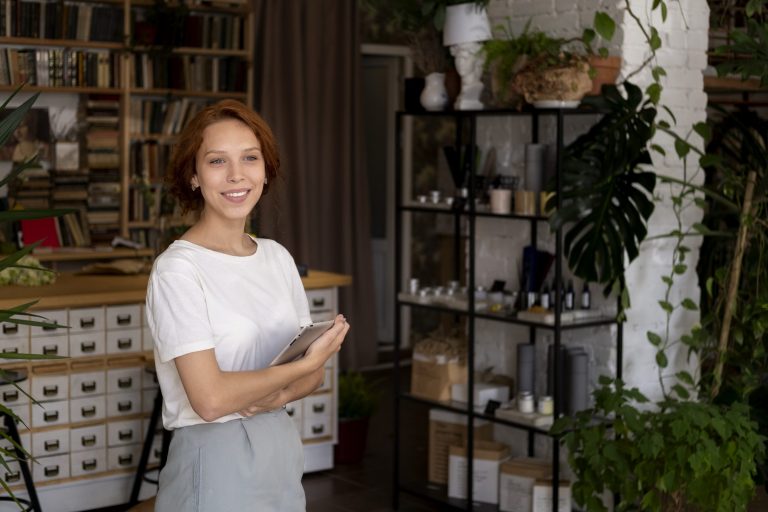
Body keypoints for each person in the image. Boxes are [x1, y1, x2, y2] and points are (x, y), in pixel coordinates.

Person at [145, 99, 350, 511]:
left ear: (265, 170)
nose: (237, 175)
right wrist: (302, 369)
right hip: (214, 461)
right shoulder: (177, 270)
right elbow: (211, 400)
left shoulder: (277, 257)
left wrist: (279, 396)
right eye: (217, 161)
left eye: (250, 158)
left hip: (281, 449)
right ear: (194, 176)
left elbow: (313, 379)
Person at [450, 41, 485, 110]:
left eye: (465, 58)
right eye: (457, 58)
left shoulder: (476, 87)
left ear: (477, 60)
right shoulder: (461, 91)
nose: (460, 63)